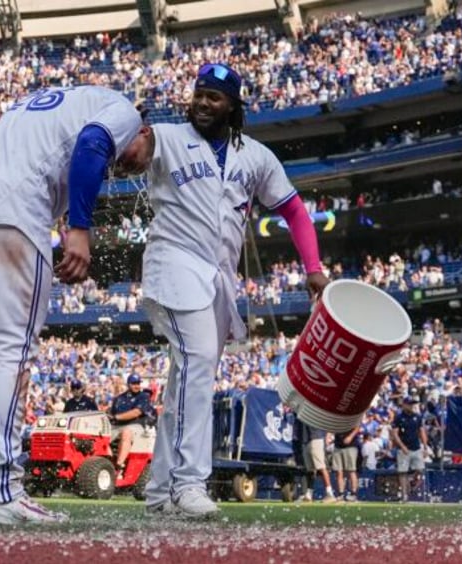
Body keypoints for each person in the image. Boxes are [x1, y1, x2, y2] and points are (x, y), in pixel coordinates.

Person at [0, 85, 153, 525]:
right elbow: (92, 146)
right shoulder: (122, 110)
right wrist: (80, 228)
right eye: (141, 154)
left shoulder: (45, 103)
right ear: (144, 130)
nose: (128, 167)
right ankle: (0, 489)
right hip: (12, 206)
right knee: (12, 348)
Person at [132, 63, 330, 517]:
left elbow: (295, 210)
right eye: (199, 93)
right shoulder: (165, 136)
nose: (203, 102)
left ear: (233, 105)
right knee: (198, 363)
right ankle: (189, 483)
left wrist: (313, 268)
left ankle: (161, 490)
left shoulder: (255, 156)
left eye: (214, 96)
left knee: (186, 379)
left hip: (218, 279)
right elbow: (129, 150)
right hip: (172, 261)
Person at [109, 374, 155, 477]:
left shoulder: (143, 396)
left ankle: (119, 466)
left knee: (126, 433)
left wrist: (116, 417)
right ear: (128, 384)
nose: (137, 386)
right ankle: (107, 463)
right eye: (134, 383)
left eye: (138, 383)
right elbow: (112, 414)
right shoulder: (119, 398)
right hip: (117, 426)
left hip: (136, 425)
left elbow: (136, 413)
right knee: (102, 435)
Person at [391, 395, 429, 502]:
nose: (412, 406)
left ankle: (412, 481)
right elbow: (395, 434)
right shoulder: (399, 417)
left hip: (416, 447)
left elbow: (421, 431)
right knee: (402, 472)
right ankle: (404, 495)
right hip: (403, 449)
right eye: (410, 404)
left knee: (420, 470)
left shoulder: (418, 417)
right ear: (404, 405)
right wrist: (402, 446)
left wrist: (425, 447)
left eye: (413, 404)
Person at [297, 419, 337, 503]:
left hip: (316, 437)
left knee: (321, 467)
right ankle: (308, 494)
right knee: (310, 470)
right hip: (306, 439)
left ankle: (330, 494)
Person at [332, 426, 361, 501]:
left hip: (350, 446)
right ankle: (340, 494)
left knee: (351, 471)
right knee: (339, 471)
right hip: (338, 445)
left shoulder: (352, 415)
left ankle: (353, 494)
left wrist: (350, 437)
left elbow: (357, 426)